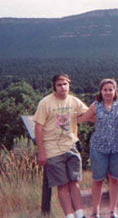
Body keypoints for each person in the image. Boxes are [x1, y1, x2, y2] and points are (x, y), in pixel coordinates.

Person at [33, 74, 88, 218]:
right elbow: (38, 127)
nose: (63, 87)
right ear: (54, 87)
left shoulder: (73, 100)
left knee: (74, 182)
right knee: (62, 184)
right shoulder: (46, 103)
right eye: (59, 85)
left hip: (71, 145)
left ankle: (80, 214)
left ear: (69, 85)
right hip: (53, 150)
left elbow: (88, 114)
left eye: (65, 84)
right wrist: (42, 152)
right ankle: (69, 215)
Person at [77, 78, 118, 218]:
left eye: (110, 90)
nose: (107, 92)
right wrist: (63, 118)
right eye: (105, 90)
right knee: (98, 180)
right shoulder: (96, 105)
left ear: (115, 91)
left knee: (115, 179)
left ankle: (113, 211)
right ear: (101, 91)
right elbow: (82, 118)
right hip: (99, 148)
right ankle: (95, 212)